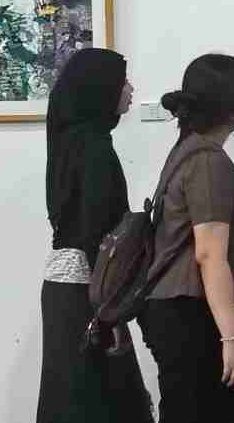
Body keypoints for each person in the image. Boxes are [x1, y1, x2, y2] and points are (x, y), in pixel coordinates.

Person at [138, 53, 234, 423]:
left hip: (173, 310)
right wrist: (232, 337)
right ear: (233, 107)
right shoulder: (208, 162)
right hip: (189, 314)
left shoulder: (186, 151)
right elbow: (209, 254)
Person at [37, 48, 153, 423]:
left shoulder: (70, 141)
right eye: (123, 81)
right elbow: (98, 237)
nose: (130, 89)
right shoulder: (94, 149)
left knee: (74, 398)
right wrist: (109, 314)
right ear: (100, 89)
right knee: (95, 403)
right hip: (88, 291)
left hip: (68, 289)